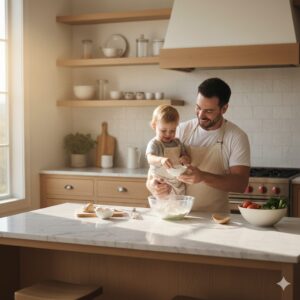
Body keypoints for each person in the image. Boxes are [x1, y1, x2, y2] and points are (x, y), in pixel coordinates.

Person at [146, 78, 250, 213]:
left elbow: (240, 184)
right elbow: (153, 173)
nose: (201, 115)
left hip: (215, 220)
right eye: (198, 107)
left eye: (209, 111)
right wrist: (154, 186)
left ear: (224, 108)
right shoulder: (180, 130)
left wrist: (203, 177)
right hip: (177, 215)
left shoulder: (236, 137)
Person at [146, 104, 191, 196]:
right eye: (163, 130)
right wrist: (161, 160)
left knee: (179, 207)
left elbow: (185, 155)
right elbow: (149, 158)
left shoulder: (177, 142)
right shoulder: (155, 143)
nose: (168, 134)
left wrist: (185, 158)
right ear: (154, 126)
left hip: (177, 182)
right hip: (162, 183)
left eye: (172, 131)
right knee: (164, 207)